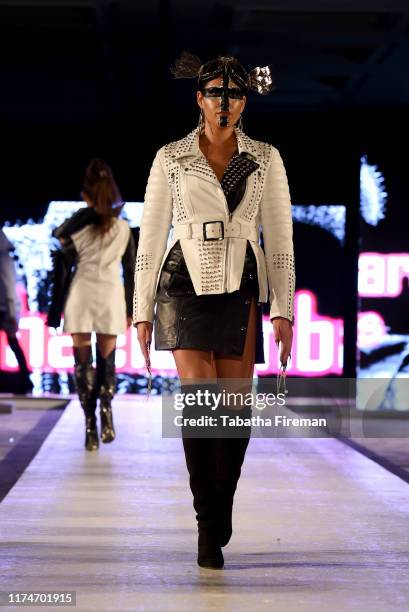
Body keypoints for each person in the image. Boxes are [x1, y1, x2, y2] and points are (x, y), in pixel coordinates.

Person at [133, 52, 295, 569]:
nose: (224, 104)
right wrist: (140, 310)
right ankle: (207, 523)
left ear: (244, 102)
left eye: (234, 95)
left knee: (233, 407)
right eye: (215, 94)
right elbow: (150, 238)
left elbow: (282, 240)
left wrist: (284, 311)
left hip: (241, 282)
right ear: (198, 98)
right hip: (181, 281)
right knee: (200, 400)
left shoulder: (266, 157)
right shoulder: (171, 157)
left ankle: (221, 501)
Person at [54, 159, 136, 451]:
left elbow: (58, 235)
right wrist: (131, 309)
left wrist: (86, 213)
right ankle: (106, 412)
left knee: (83, 365)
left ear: (87, 194)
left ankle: (90, 425)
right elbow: (130, 273)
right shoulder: (124, 228)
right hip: (110, 295)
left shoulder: (80, 228)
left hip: (82, 294)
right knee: (106, 363)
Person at [0, 228, 33, 393]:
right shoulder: (5, 258)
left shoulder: (4, 259)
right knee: (13, 342)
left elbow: (8, 286)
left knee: (13, 342)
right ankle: (26, 380)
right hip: (6, 307)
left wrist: (11, 313)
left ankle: (26, 380)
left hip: (5, 308)